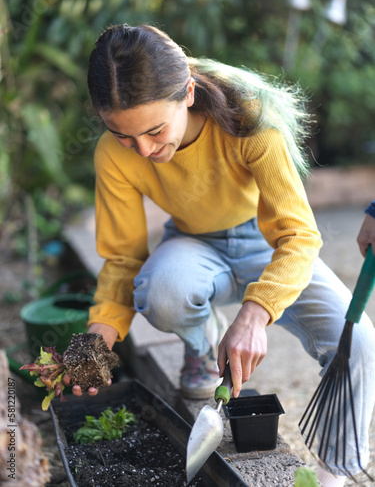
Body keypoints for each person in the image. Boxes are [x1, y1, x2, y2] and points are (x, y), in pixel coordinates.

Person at [64, 24, 375, 487]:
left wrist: (255, 314)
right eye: (126, 137)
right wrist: (95, 340)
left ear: (187, 93)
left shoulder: (249, 119)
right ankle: (202, 347)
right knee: (162, 291)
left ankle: (334, 474)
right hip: (193, 244)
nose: (146, 151)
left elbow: (298, 235)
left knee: (360, 346)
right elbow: (124, 260)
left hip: (266, 244)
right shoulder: (114, 154)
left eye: (154, 131)